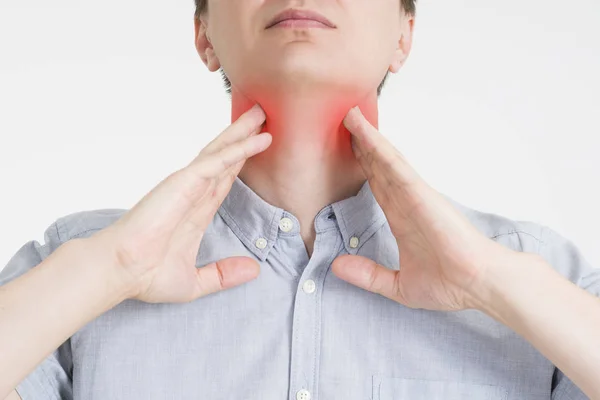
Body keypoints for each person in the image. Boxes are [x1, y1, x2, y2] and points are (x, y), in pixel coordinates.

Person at [1, 0, 599, 399]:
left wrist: (488, 282)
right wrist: (113, 269)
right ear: (204, 34)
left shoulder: (548, 286)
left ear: (403, 35)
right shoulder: (68, 278)